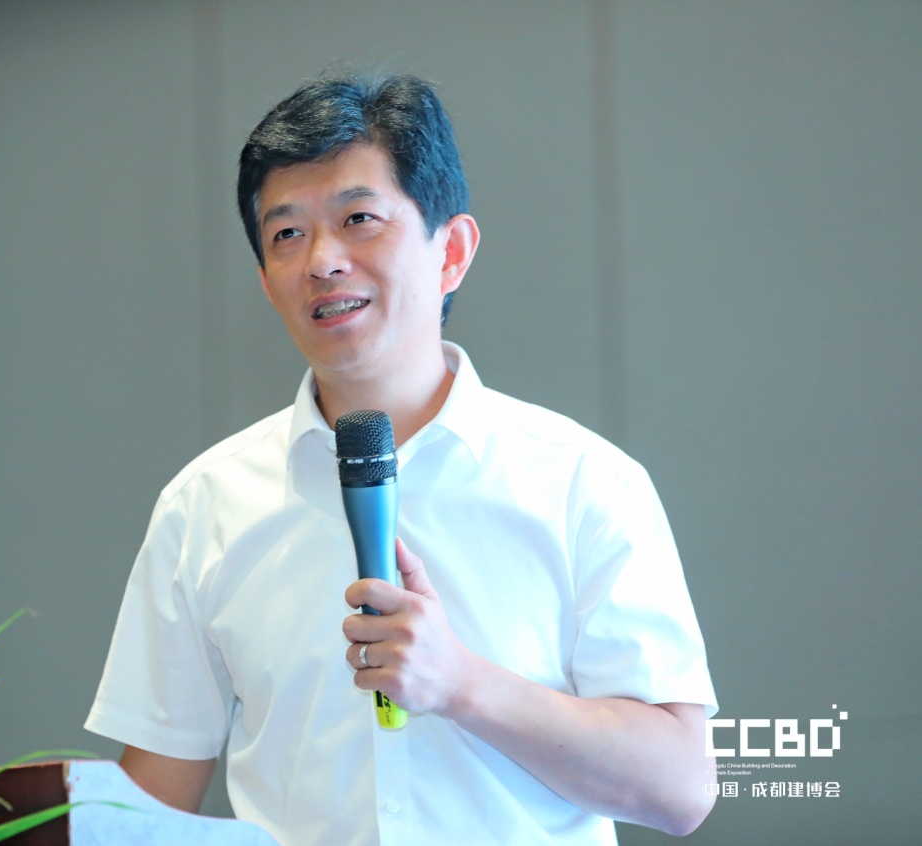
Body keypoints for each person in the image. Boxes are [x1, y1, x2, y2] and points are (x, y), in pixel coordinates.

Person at [85, 72, 717, 845]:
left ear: (450, 251)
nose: (321, 260)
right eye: (286, 234)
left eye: (358, 219)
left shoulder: (583, 482)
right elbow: (147, 811)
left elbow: (680, 787)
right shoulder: (204, 505)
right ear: (267, 284)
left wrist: (460, 683)